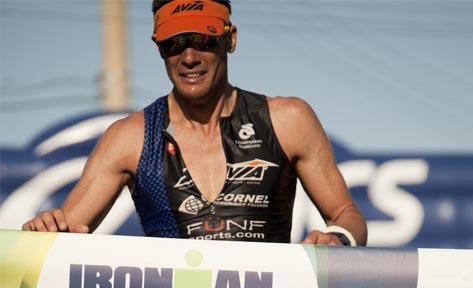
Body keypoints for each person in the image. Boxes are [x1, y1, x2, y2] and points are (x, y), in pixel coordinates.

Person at [22, 0, 367, 246]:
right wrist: (44, 233)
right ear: (159, 48)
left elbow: (346, 213)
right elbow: (59, 242)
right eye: (174, 44)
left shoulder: (288, 120)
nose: (188, 57)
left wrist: (337, 239)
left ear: (230, 39)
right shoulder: (130, 138)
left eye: (203, 40)